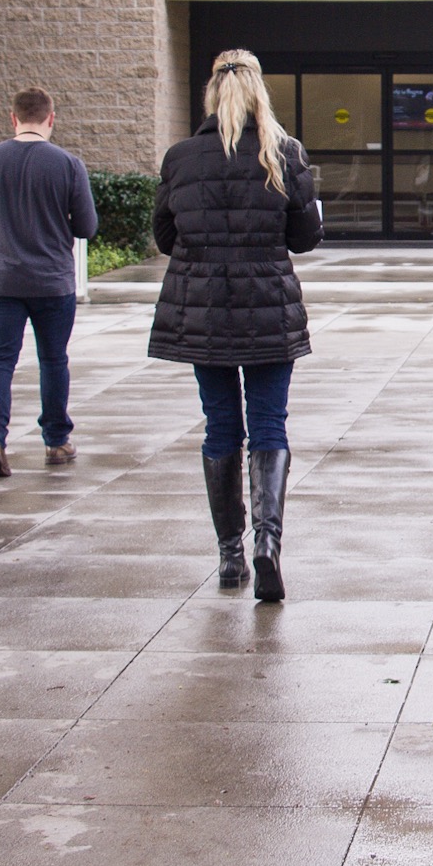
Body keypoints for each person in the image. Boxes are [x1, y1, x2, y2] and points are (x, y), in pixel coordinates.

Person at [149, 49, 322, 602]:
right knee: (269, 424)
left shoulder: (181, 158)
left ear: (211, 93)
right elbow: (303, 238)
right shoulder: (284, 153)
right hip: (268, 306)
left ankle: (230, 556)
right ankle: (267, 543)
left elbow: (165, 238)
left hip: (204, 311)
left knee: (221, 426)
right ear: (259, 92)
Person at [0, 87, 99, 480]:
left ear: (13, 118)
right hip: (52, 280)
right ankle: (56, 440)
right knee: (53, 359)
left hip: (1, 279)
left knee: (0, 358)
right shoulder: (68, 164)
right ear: (51, 118)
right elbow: (87, 226)